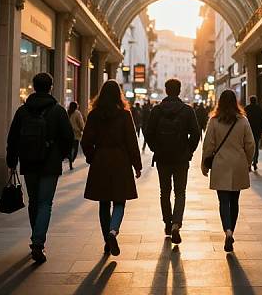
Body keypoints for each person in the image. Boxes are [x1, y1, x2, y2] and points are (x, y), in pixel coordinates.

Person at [6, 73, 74, 264]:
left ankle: (35, 236)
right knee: (46, 203)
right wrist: (61, 155)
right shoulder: (58, 111)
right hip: (50, 164)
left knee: (34, 201)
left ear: (34, 87)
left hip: (28, 162)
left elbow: (13, 138)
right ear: (50, 87)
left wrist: (12, 161)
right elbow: (68, 136)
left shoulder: (23, 111)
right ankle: (38, 241)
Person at [81, 80, 142, 256]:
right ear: (118, 95)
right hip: (120, 161)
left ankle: (107, 240)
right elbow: (132, 142)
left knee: (103, 202)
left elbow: (86, 141)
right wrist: (137, 165)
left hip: (101, 160)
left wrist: (92, 157)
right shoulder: (124, 115)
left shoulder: (94, 115)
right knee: (119, 201)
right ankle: (113, 231)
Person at [145, 78, 200, 244]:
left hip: (162, 158)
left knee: (165, 191)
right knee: (180, 192)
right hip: (181, 158)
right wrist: (188, 151)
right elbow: (196, 134)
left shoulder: (156, 111)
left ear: (166, 90)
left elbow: (148, 133)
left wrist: (156, 148)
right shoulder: (187, 110)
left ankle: (167, 224)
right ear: (180, 90)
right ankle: (177, 223)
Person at [201, 90, 255, 252]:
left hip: (220, 164)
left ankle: (227, 230)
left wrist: (204, 165)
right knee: (235, 201)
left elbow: (208, 145)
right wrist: (248, 161)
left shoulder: (214, 121)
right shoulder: (243, 121)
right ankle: (232, 229)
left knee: (223, 201)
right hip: (238, 164)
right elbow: (250, 144)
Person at [244, 96, 262, 171]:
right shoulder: (260, 110)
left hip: (248, 131)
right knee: (256, 146)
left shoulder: (246, 109)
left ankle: (249, 163)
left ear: (250, 101)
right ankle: (255, 162)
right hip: (257, 131)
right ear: (256, 101)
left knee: (248, 146)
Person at [67, 101, 85, 170]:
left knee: (70, 148)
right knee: (75, 150)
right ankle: (71, 160)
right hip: (75, 134)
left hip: (68, 134)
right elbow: (81, 123)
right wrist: (82, 129)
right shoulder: (77, 113)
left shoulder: (67, 112)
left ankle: (70, 160)